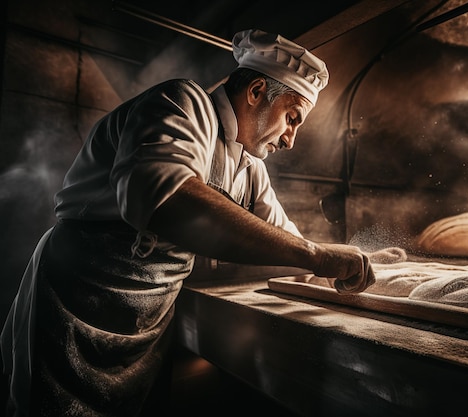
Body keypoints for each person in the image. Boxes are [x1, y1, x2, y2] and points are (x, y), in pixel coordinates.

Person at [1, 29, 376, 416]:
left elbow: (285, 237)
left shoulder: (250, 167)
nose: (291, 140)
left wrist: (348, 262)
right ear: (256, 91)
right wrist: (316, 255)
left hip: (147, 317)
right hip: (77, 298)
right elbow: (164, 198)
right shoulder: (182, 102)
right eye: (292, 117)